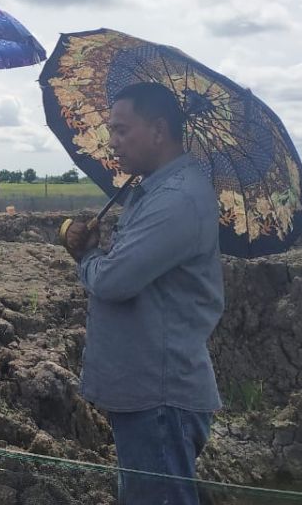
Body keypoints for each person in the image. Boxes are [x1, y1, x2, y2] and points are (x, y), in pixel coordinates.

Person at [61, 82, 224, 505]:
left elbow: (115, 281)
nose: (112, 141)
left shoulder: (176, 200)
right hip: (147, 388)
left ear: (158, 130)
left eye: (121, 130)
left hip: (160, 394)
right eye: (111, 130)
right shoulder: (152, 191)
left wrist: (87, 255)